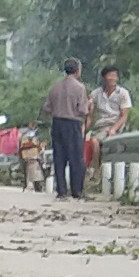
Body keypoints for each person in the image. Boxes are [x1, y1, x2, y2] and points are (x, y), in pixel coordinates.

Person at [43, 59, 90, 199]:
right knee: (76, 157)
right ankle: (77, 190)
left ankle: (61, 190)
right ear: (78, 71)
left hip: (57, 123)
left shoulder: (55, 87)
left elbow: (46, 108)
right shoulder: (80, 88)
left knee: (59, 157)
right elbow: (83, 110)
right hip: (73, 123)